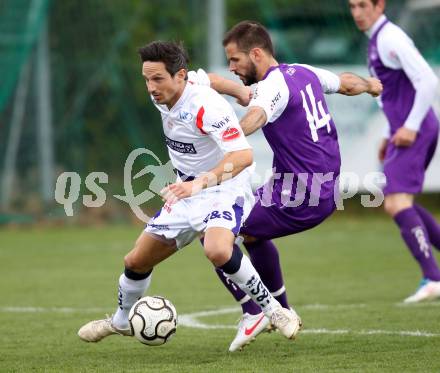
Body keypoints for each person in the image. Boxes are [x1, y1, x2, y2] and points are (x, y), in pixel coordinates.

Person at [77, 41, 302, 346]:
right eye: (146, 79)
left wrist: (197, 184)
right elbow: (210, 77)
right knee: (135, 261)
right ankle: (120, 322)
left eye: (158, 79)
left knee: (218, 250)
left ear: (179, 76)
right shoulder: (175, 89)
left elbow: (243, 157)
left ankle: (274, 310)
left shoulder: (206, 108)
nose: (151, 87)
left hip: (224, 187)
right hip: (186, 192)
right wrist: (242, 92)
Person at [199, 20, 383, 352]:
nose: (232, 67)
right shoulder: (302, 72)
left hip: (301, 194)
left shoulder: (272, 87)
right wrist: (370, 84)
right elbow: (345, 83)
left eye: (235, 60)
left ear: (256, 53)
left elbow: (256, 114)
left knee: (210, 228)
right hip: (317, 188)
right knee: (251, 233)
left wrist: (225, 140)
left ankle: (252, 310)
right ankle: (280, 309)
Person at [349, 0, 440, 302]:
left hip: (416, 130)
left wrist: (411, 126)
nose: (357, 12)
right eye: (352, 6)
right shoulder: (377, 40)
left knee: (395, 201)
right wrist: (389, 132)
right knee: (402, 201)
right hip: (405, 132)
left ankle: (433, 278)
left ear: (379, 5)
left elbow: (428, 80)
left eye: (363, 5)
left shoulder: (391, 37)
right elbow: (395, 94)